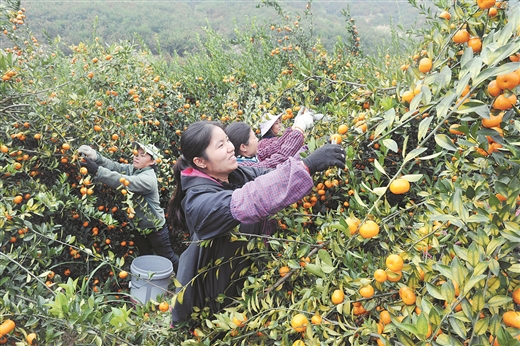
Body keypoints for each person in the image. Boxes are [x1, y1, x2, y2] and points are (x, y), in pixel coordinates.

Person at [166, 121, 345, 324]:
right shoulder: (198, 202)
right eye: (220, 145)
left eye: (227, 140)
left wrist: (310, 160)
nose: (231, 147)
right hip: (219, 297)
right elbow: (248, 200)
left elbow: (270, 174)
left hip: (247, 281)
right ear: (200, 162)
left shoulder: (233, 174)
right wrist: (306, 165)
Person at [78, 142, 180, 272]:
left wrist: (97, 171)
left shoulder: (148, 179)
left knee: (168, 257)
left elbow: (122, 180)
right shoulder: (133, 169)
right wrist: (96, 157)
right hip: (138, 227)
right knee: (145, 257)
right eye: (136, 154)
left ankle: (185, 279)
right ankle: (152, 282)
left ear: (152, 162)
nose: (136, 157)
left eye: (142, 155)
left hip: (155, 228)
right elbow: (114, 167)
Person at [225, 108, 315, 168]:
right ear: (243, 147)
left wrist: (294, 127)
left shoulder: (252, 157)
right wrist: (299, 129)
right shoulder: (245, 168)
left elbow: (275, 147)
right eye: (254, 137)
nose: (257, 140)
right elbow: (279, 160)